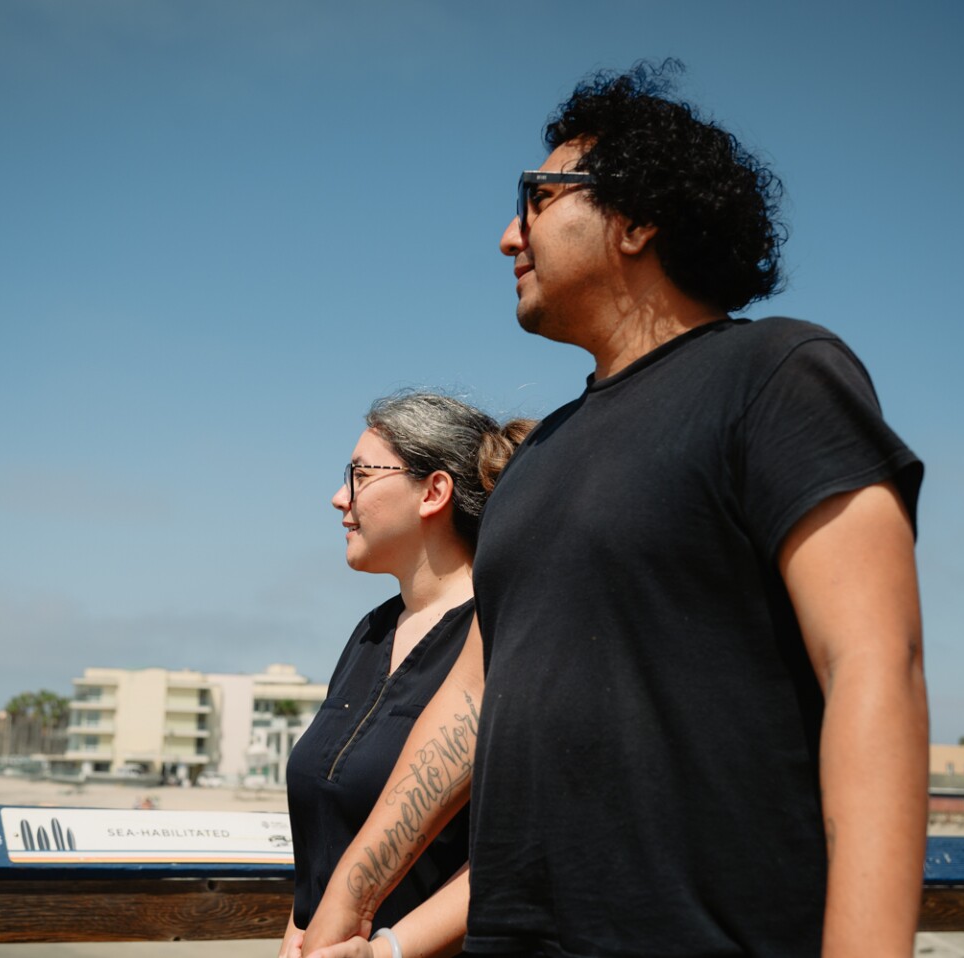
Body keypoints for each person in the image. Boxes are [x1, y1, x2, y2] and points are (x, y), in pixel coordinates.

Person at [303, 62, 928, 958]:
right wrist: (352, 898)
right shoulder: (534, 460)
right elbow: (472, 700)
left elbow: (875, 664)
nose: (507, 238)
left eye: (538, 199)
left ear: (636, 220)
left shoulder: (779, 376)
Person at [280, 391, 534, 958]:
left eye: (360, 475)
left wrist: (388, 950)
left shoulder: (504, 630)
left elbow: (520, 849)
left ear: (434, 492)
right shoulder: (371, 634)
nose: (338, 497)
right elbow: (321, 853)